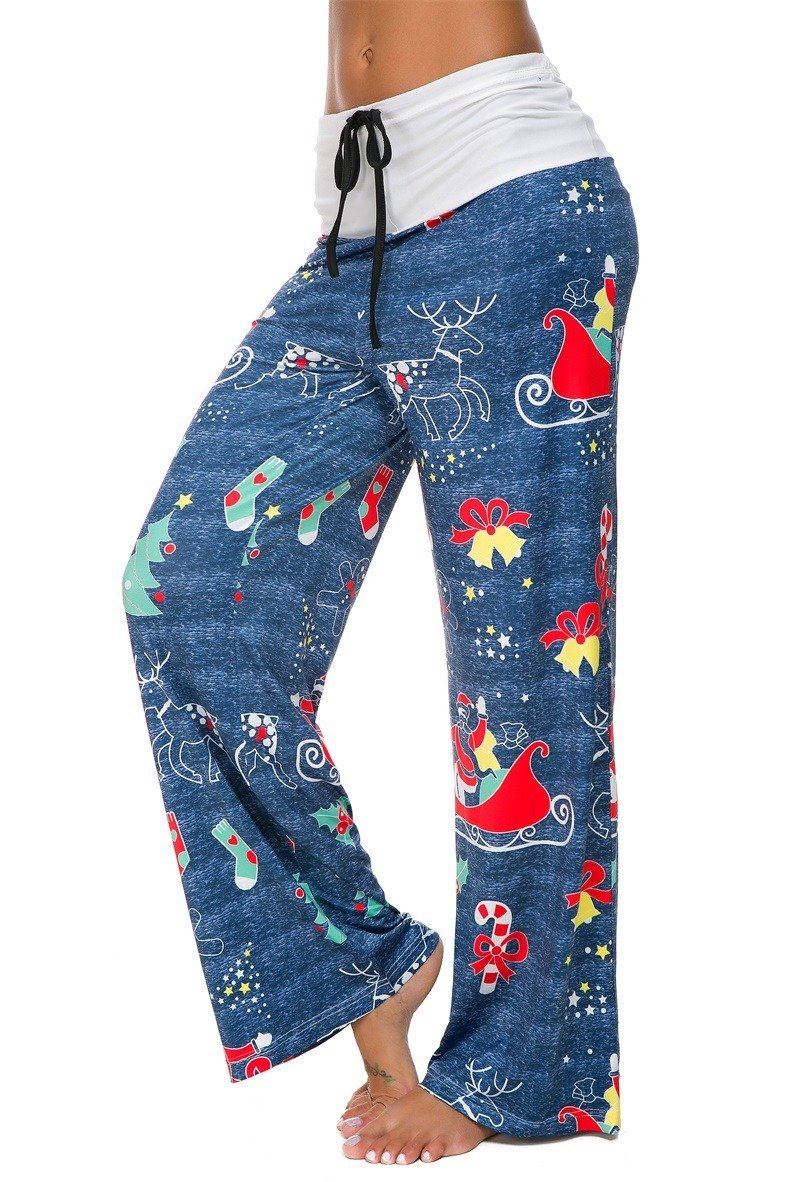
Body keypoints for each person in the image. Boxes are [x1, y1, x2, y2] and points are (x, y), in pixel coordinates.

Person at [121, 0, 638, 1165]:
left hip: (511, 210)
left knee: (521, 677)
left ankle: (512, 1072)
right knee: (183, 588)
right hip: (355, 242)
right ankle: (365, 961)